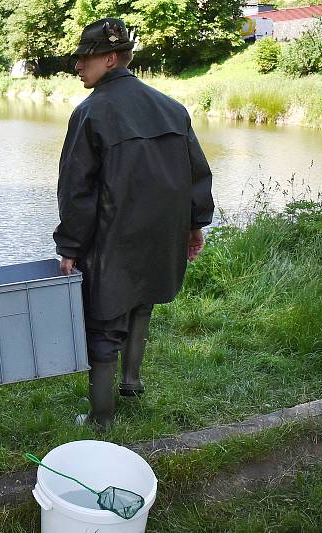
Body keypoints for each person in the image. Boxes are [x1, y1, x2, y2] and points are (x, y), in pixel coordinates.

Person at [54, 18, 214, 432]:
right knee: (142, 301)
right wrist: (195, 224)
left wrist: (70, 246)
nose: (77, 65)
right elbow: (197, 174)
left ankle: (101, 418)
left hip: (113, 241)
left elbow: (77, 191)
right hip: (161, 237)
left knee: (104, 323)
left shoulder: (90, 112)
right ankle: (132, 381)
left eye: (84, 57)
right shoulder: (171, 107)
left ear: (110, 58)